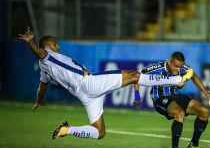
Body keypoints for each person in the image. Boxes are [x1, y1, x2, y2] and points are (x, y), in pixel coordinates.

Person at [19, 27, 194, 140]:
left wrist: (39, 101)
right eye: (55, 44)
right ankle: (177, 79)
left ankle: (68, 130)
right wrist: (31, 43)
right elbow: (39, 53)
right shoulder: (47, 55)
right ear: (48, 46)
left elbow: (42, 87)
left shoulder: (44, 70)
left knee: (100, 132)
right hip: (89, 83)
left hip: (84, 95)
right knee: (134, 75)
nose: (58, 46)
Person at [134, 52, 210, 148]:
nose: (178, 69)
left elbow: (193, 75)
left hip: (176, 96)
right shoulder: (157, 68)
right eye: (176, 66)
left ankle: (194, 144)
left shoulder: (182, 68)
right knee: (179, 113)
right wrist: (137, 95)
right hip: (161, 99)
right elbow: (136, 76)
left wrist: (205, 92)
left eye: (180, 67)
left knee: (204, 111)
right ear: (170, 62)